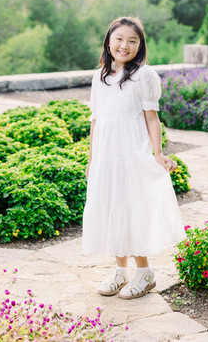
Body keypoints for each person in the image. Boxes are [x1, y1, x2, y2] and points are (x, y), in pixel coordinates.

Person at [82, 16, 186, 300]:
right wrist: (92, 159)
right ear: (108, 41)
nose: (124, 45)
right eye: (119, 39)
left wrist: (158, 153)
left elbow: (151, 118)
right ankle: (119, 271)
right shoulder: (99, 76)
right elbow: (95, 121)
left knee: (131, 211)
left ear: (140, 45)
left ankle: (144, 273)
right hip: (106, 156)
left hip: (131, 153)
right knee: (112, 209)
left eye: (132, 40)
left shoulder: (144, 75)